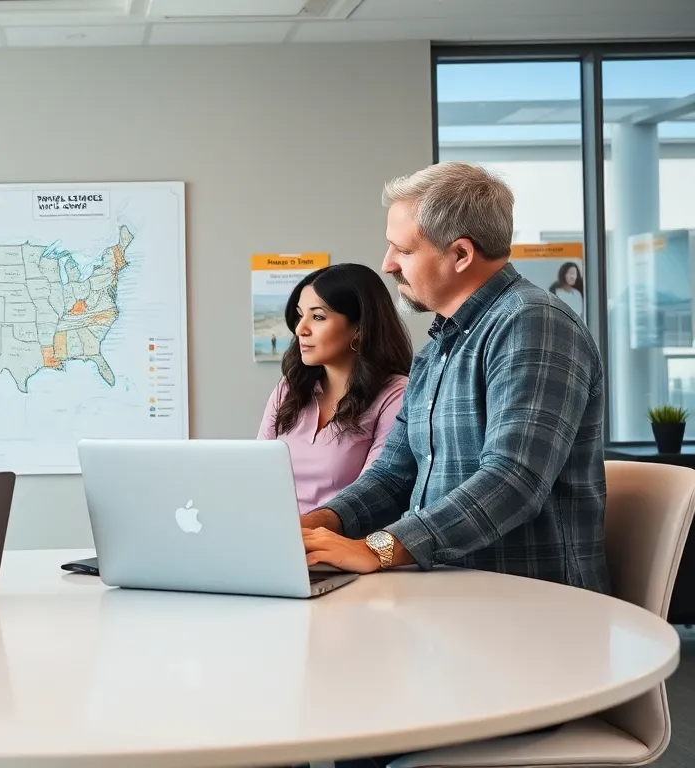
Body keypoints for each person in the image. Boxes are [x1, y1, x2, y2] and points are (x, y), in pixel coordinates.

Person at [298, 162, 608, 767]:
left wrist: (379, 548)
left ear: (461, 254)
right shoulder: (442, 342)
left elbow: (512, 479)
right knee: (313, 700)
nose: (388, 264)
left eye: (402, 248)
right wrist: (319, 524)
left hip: (530, 634)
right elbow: (394, 473)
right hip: (450, 613)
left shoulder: (533, 324)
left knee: (343, 720)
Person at [256, 263, 411, 514]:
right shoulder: (289, 389)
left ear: (359, 328)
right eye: (300, 315)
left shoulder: (395, 395)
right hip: (277, 531)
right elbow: (257, 473)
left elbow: (375, 494)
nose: (300, 329)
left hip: (341, 536)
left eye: (317, 317)